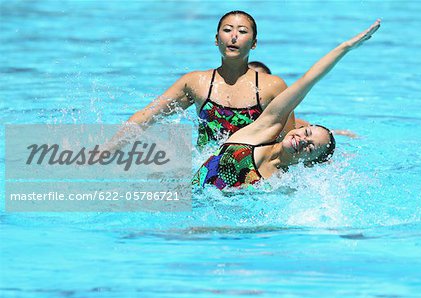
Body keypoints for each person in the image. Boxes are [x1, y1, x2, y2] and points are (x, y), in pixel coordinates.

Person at [192, 20, 381, 190]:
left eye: (310, 148)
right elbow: (308, 81)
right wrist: (346, 47)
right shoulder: (261, 131)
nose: (302, 139)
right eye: (306, 133)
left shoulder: (282, 186)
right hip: (184, 203)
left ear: (310, 162)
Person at [105, 11, 296, 151]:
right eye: (227, 30)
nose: (234, 36)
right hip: (205, 174)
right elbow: (147, 116)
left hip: (252, 178)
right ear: (216, 39)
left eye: (243, 31)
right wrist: (107, 151)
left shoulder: (272, 87)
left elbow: (287, 142)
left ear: (254, 43)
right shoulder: (197, 82)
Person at [248, 61, 358, 138]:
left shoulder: (284, 122)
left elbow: (309, 133)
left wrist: (336, 133)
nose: (253, 87)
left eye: (259, 83)